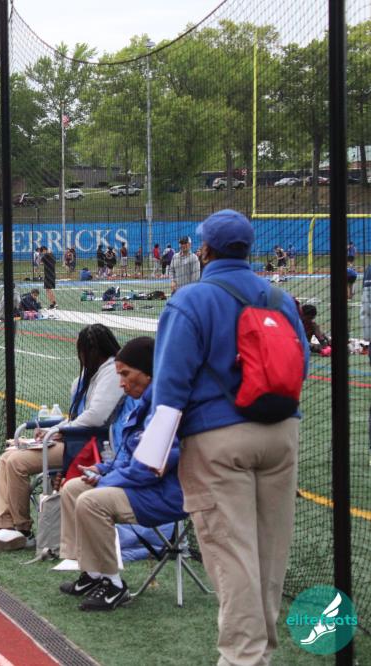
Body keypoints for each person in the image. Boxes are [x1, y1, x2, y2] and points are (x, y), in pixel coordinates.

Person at [147, 209, 308, 665]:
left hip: (217, 438)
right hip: (281, 432)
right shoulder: (278, 297)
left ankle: (243, 657)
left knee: (231, 552)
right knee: (270, 553)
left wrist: (156, 451)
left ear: (205, 249)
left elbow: (170, 386)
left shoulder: (192, 299)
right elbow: (300, 365)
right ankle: (260, 652)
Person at [58, 336, 184, 611]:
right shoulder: (142, 405)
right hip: (141, 487)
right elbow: (128, 458)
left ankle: (114, 585)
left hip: (166, 493)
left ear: (148, 373)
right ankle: (92, 573)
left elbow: (149, 469)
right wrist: (101, 469)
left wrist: (105, 479)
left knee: (92, 501)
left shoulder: (165, 409)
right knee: (73, 488)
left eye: (126, 374)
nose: (122, 383)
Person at [0, 324, 124, 552]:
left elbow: (96, 416)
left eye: (83, 352)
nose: (81, 358)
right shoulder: (91, 375)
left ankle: (22, 530)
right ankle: (5, 526)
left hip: (89, 446)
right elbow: (78, 416)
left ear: (92, 352)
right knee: (6, 458)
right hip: (76, 439)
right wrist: (57, 429)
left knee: (17, 462)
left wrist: (58, 432)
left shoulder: (112, 373)